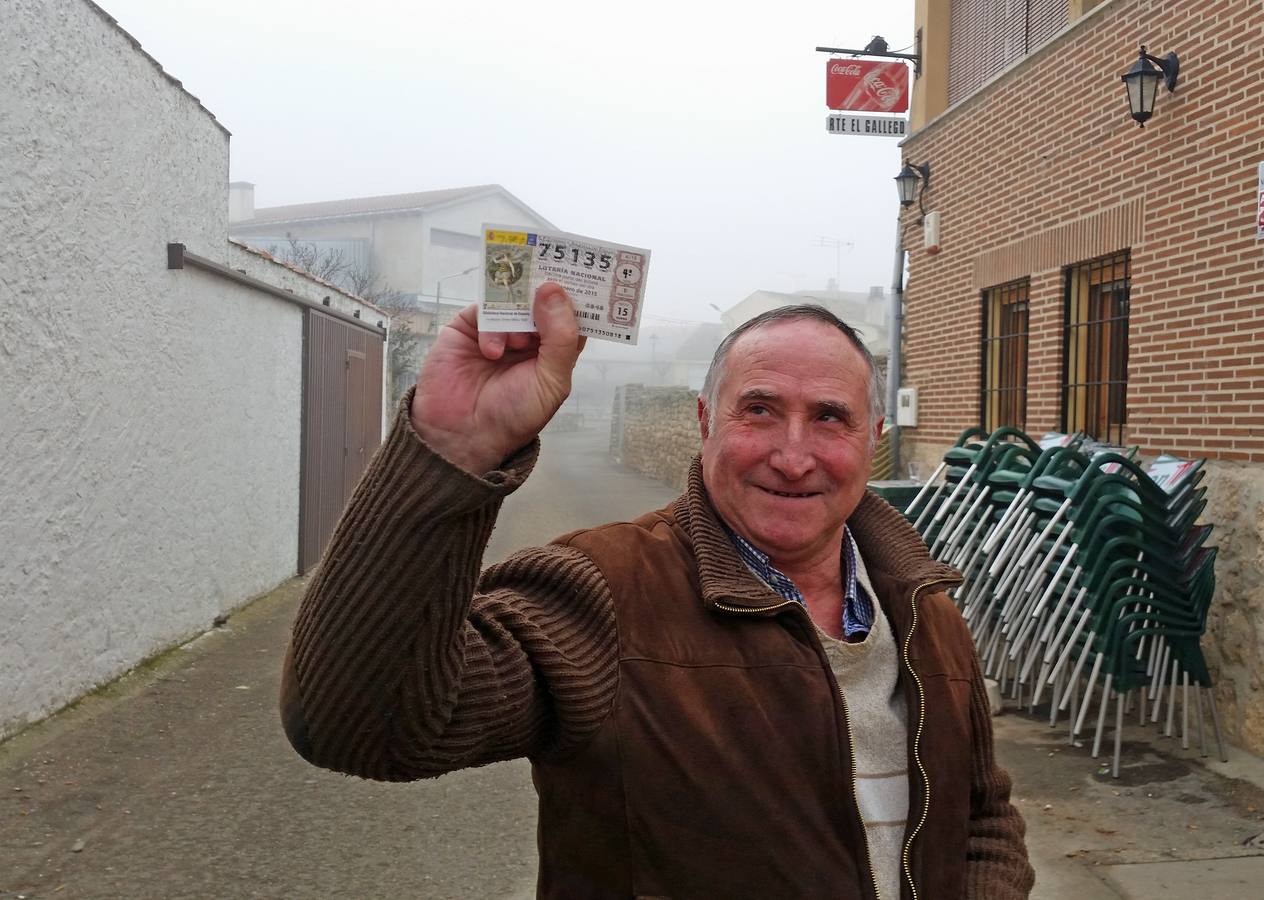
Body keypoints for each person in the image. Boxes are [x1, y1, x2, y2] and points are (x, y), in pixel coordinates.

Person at [280, 282, 1034, 899]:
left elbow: (980, 815)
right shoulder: (603, 593)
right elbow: (360, 724)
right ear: (705, 421)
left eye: (830, 418)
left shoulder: (926, 608)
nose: (794, 455)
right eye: (760, 409)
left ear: (872, 439)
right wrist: (450, 451)